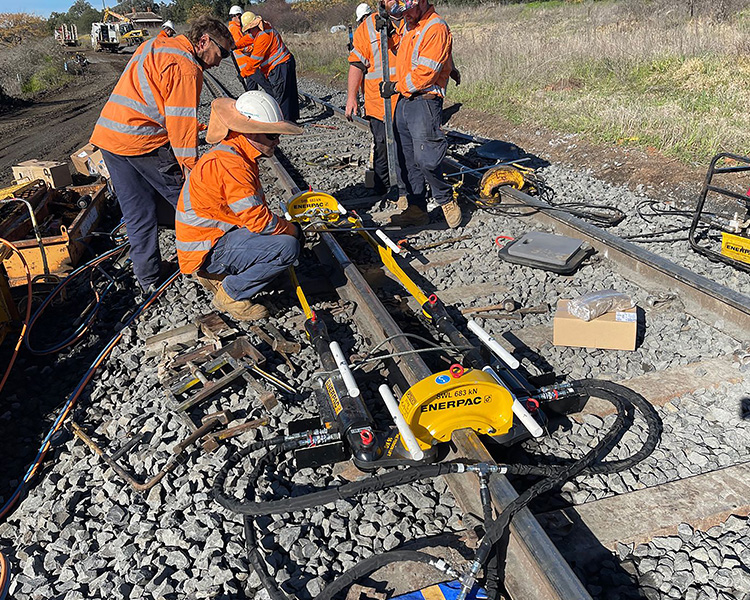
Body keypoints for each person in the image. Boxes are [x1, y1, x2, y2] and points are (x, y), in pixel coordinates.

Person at [90, 16, 233, 293]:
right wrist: (191, 171)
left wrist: (199, 124)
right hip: (142, 143)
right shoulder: (187, 68)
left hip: (110, 139)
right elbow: (180, 128)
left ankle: (149, 279)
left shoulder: (154, 45)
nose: (221, 60)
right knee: (191, 202)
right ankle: (214, 261)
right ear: (203, 41)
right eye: (222, 53)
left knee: (137, 214)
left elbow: (156, 101)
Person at [175, 91, 303, 321]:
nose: (277, 141)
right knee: (287, 247)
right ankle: (230, 294)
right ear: (250, 131)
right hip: (207, 248)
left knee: (280, 241)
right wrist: (293, 230)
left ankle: (215, 273)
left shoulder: (236, 154)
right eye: (272, 135)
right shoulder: (232, 165)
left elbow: (251, 214)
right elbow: (259, 221)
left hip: (212, 238)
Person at [380, 0, 462, 228]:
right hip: (405, 101)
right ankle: (416, 208)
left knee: (426, 157)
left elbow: (426, 73)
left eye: (408, 8)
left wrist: (396, 87)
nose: (404, 13)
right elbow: (399, 51)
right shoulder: (410, 25)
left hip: (424, 100)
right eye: (401, 10)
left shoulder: (435, 27)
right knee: (405, 160)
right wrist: (387, 33)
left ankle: (445, 198)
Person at [346, 0, 404, 199]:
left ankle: (407, 189)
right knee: (382, 144)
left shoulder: (410, 19)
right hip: (377, 100)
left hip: (406, 98)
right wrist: (352, 97)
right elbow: (356, 64)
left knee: (406, 145)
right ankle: (382, 187)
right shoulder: (366, 28)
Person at [240, 11, 299, 122]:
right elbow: (249, 38)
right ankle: (292, 120)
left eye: (249, 29)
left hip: (279, 66)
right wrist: (236, 45)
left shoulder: (263, 37)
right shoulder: (265, 27)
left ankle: (282, 124)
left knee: (280, 97)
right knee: (290, 93)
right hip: (287, 61)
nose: (249, 32)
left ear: (255, 26)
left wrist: (243, 73)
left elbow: (254, 62)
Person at [227, 5, 259, 91]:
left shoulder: (234, 27)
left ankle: (253, 101)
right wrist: (253, 47)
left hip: (244, 63)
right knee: (259, 83)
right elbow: (240, 46)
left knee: (252, 85)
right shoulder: (234, 29)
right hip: (246, 62)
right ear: (237, 16)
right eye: (240, 16)